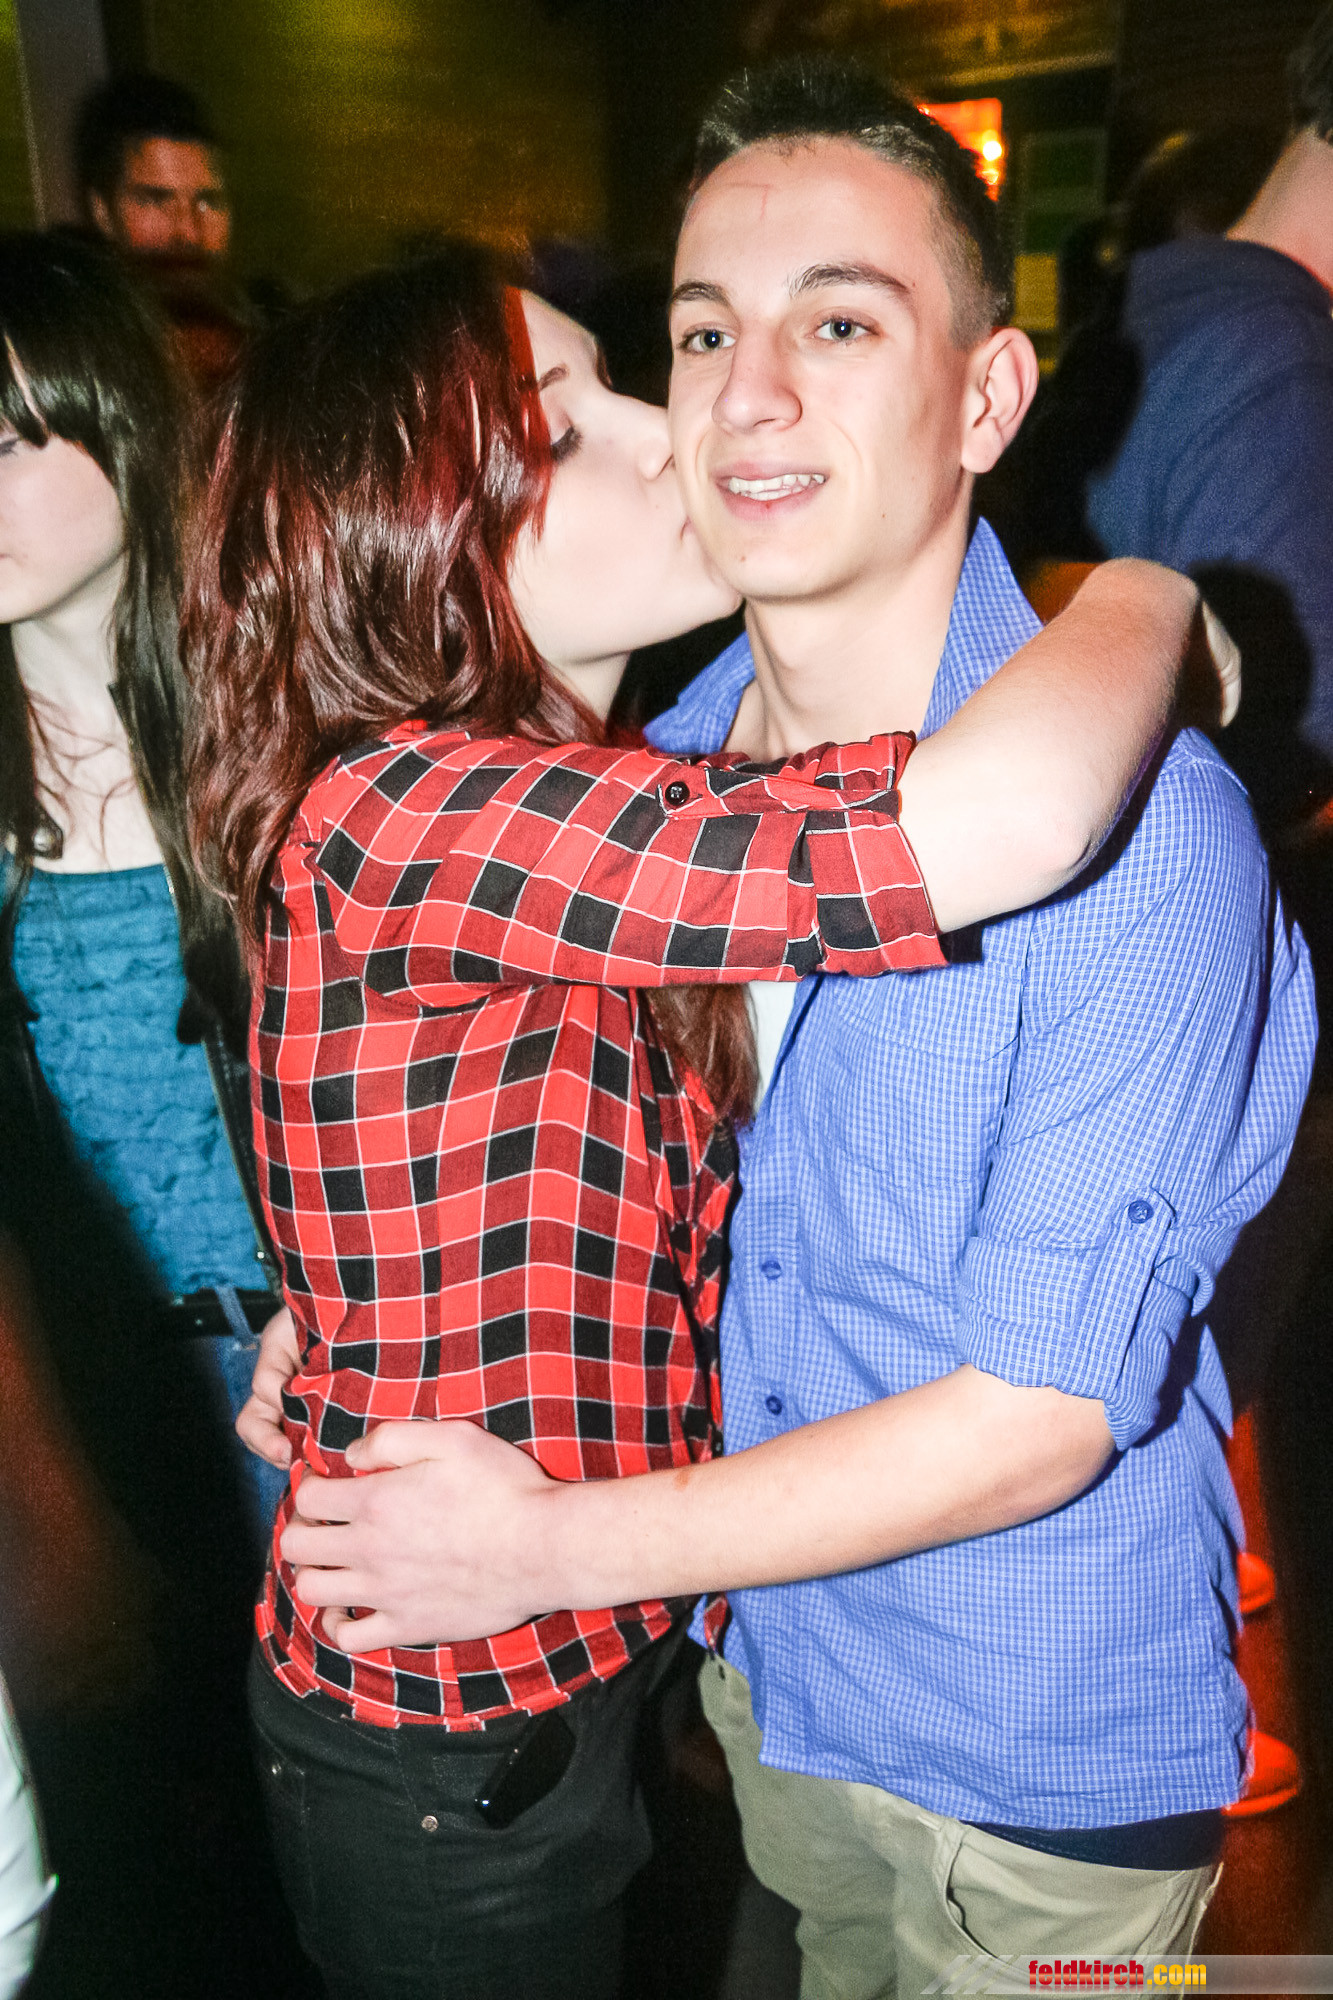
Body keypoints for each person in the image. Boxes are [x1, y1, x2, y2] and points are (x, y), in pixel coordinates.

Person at [265, 60, 1316, 1994]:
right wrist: (355, 1329)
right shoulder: (631, 801)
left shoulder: (1142, 831)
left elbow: (1036, 1420)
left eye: (837, 323)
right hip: (760, 1693)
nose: (740, 397)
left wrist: (549, 1550)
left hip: (1030, 1783)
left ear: (984, 400)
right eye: (697, 334)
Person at [0, 230, 303, 1999]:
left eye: (7, 438)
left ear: (122, 426)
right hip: (97, 1431)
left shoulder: (280, 731)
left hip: (320, 1393)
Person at [74, 72, 250, 388]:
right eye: (155, 201)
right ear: (103, 212)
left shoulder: (266, 351)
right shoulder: (75, 362)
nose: (188, 232)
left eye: (208, 202)